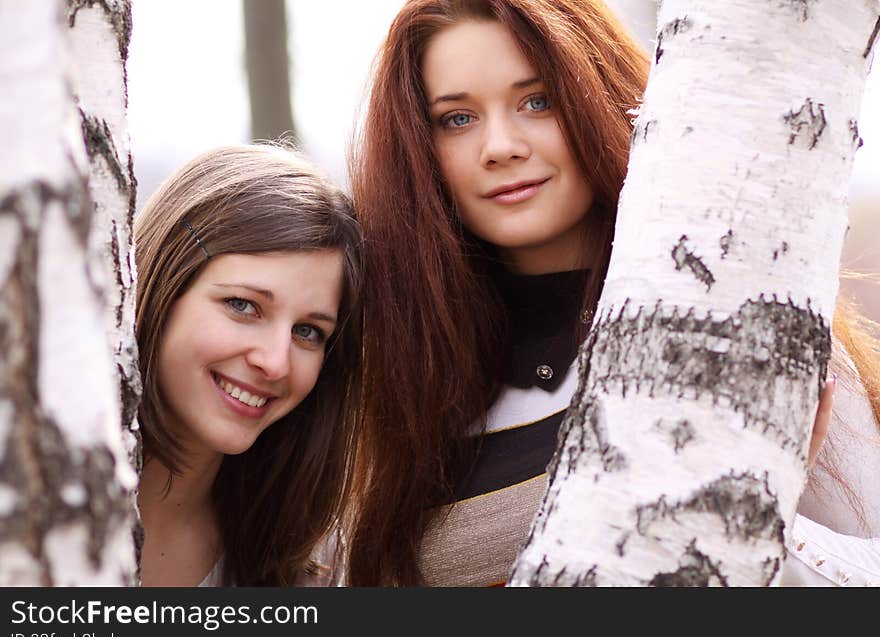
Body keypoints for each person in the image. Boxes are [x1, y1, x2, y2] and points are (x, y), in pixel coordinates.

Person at [345, 0, 880, 586]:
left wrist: (747, 512)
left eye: (537, 101)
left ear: (596, 95)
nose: (499, 146)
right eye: (457, 118)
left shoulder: (746, 319)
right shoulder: (401, 374)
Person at [135, 143, 362, 586]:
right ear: (163, 284)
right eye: (243, 305)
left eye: (308, 332)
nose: (275, 363)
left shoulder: (312, 566)